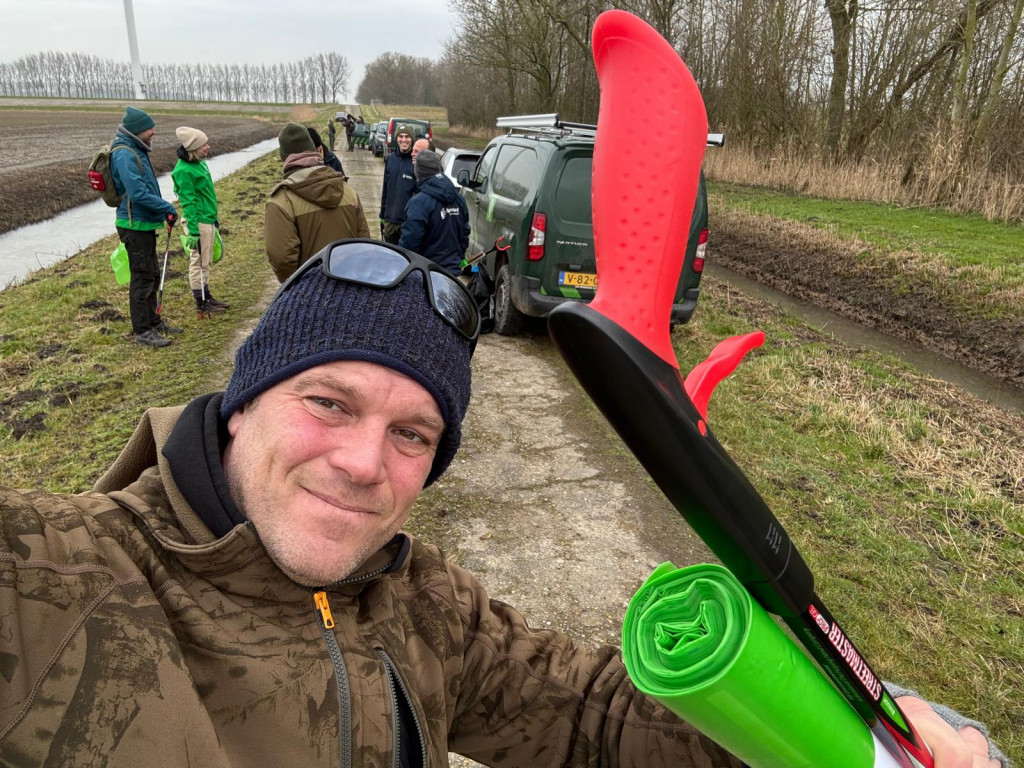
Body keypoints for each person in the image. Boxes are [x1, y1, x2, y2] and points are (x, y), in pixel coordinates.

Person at [0, 238, 1006, 767]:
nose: (362, 463)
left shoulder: (414, 598)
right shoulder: (53, 576)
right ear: (237, 406)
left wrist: (816, 741)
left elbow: (593, 725)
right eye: (326, 403)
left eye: (412, 435)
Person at [109, 105, 181, 348]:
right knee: (142, 278)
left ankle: (154, 321)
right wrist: (166, 208)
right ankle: (143, 332)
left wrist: (160, 211)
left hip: (143, 222)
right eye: (150, 128)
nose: (154, 132)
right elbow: (138, 193)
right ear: (138, 130)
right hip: (133, 224)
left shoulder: (135, 149)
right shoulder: (124, 154)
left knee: (151, 273)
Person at [264, 123, 370, 282]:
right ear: (313, 149)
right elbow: (364, 243)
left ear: (284, 156)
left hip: (307, 297)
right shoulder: (347, 190)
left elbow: (282, 258)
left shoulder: (282, 201)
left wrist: (297, 287)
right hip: (350, 288)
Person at [171, 126, 229, 317]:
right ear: (194, 147)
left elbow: (206, 194)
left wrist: (215, 218)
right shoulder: (183, 171)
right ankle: (201, 302)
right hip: (199, 222)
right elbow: (188, 202)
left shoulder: (199, 164)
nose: (208, 147)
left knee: (206, 262)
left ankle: (207, 296)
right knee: (199, 262)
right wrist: (194, 231)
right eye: (204, 145)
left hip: (207, 219)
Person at [399, 149, 470, 276]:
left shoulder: (418, 203)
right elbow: (464, 236)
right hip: (451, 275)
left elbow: (409, 243)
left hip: (426, 274)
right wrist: (458, 259)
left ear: (418, 172)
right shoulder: (459, 199)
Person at [379, 125, 416, 244]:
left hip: (408, 222)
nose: (404, 140)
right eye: (400, 136)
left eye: (407, 137)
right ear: (396, 138)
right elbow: (385, 188)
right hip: (390, 220)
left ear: (412, 139)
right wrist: (382, 214)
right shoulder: (390, 159)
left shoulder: (416, 162)